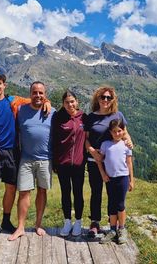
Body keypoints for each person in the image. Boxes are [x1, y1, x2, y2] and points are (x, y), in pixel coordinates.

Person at [0, 73, 50, 238]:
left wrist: (47, 102)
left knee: (11, 187)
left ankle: (6, 221)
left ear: (4, 85)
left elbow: (35, 100)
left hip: (12, 152)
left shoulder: (14, 101)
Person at [8, 81, 56, 240]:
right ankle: (20, 227)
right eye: (34, 92)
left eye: (41, 93)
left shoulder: (53, 113)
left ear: (45, 95)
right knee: (23, 192)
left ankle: (38, 224)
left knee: (42, 191)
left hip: (45, 160)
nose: (38, 95)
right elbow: (8, 99)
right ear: (29, 94)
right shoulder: (21, 110)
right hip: (26, 159)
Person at [84, 86, 133, 238]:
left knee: (115, 195)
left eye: (108, 98)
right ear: (97, 99)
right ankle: (95, 222)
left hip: (114, 162)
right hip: (94, 160)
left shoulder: (117, 115)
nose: (105, 100)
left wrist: (130, 142)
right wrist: (92, 151)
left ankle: (116, 226)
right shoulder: (91, 117)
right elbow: (85, 138)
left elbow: (125, 133)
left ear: (113, 100)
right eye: (102, 97)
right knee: (96, 192)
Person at [52, 90, 87, 237]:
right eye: (67, 102)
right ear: (63, 104)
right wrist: (55, 162)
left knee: (78, 193)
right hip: (63, 164)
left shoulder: (84, 118)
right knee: (65, 193)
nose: (70, 104)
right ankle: (67, 221)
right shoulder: (58, 118)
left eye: (72, 101)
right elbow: (53, 141)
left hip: (79, 164)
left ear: (77, 102)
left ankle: (78, 221)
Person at [97, 119, 134, 244]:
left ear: (124, 131)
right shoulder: (105, 144)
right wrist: (102, 174)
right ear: (110, 132)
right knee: (111, 204)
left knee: (120, 204)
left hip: (123, 178)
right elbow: (99, 160)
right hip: (110, 178)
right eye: (114, 131)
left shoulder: (126, 145)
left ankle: (122, 229)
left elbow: (129, 163)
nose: (117, 133)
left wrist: (131, 180)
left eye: (119, 131)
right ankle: (112, 230)